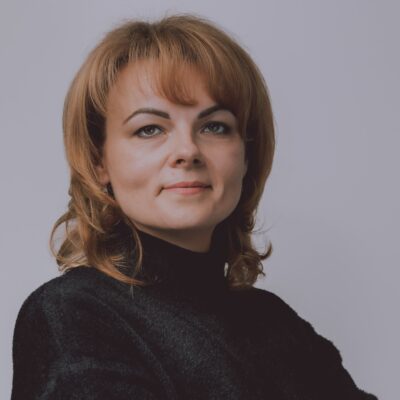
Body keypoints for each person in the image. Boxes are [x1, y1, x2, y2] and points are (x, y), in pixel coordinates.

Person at [11, 14, 377, 399]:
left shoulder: (277, 324)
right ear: (99, 160)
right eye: (150, 129)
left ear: (247, 155)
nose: (187, 151)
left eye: (214, 126)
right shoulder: (73, 313)